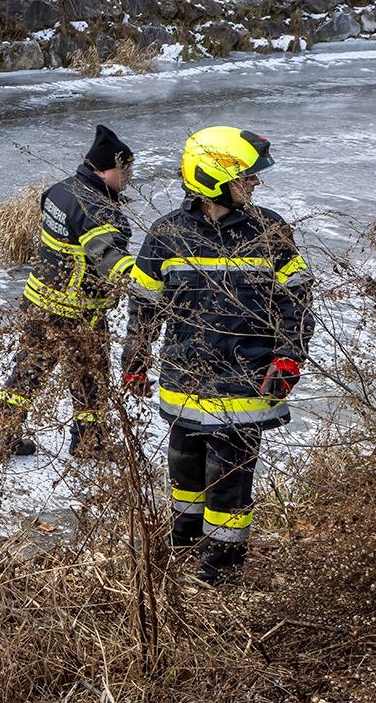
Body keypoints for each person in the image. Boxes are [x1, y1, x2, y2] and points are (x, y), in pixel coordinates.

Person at [121, 126, 313, 585]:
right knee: (184, 475)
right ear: (214, 179)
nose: (257, 182)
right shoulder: (166, 234)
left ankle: (219, 571)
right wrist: (135, 361)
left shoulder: (269, 231)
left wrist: (289, 358)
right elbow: (143, 306)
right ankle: (183, 549)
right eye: (248, 175)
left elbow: (297, 300)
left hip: (245, 386)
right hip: (184, 384)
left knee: (228, 485)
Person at [0, 124, 137, 459]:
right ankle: (89, 443)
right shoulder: (97, 210)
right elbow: (110, 260)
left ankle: (0, 439)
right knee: (90, 380)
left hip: (40, 300)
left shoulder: (60, 189)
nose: (129, 175)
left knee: (27, 376)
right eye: (124, 169)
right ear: (103, 170)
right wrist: (146, 282)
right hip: (75, 312)